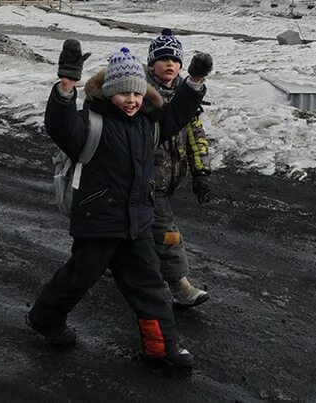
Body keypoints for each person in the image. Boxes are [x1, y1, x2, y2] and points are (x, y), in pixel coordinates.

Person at [26, 40, 214, 370]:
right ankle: (45, 318)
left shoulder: (149, 123)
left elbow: (178, 114)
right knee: (79, 278)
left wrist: (194, 82)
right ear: (109, 92)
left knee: (150, 284)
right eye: (124, 93)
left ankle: (162, 348)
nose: (131, 100)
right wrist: (67, 85)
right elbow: (59, 126)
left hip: (137, 221)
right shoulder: (90, 124)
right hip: (99, 221)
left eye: (137, 93)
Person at [146, 29, 213, 309]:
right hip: (147, 181)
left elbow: (196, 137)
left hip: (167, 180)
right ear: (151, 64)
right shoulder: (141, 96)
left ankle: (116, 261)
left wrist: (202, 173)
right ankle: (180, 286)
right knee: (167, 231)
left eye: (174, 59)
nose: (169, 64)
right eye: (162, 59)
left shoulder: (187, 100)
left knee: (137, 229)